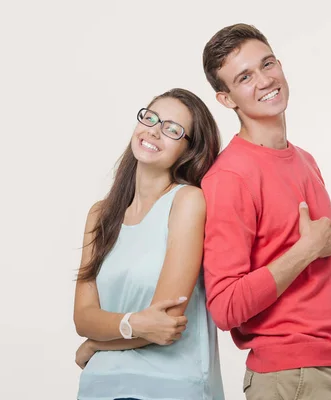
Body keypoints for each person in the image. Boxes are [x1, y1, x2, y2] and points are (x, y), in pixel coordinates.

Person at [200, 24, 331, 399]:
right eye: (244, 77)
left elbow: (323, 278)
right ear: (227, 99)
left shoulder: (305, 161)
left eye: (267, 64)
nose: (264, 80)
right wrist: (304, 251)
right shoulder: (230, 177)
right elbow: (225, 306)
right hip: (294, 378)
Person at [73, 88, 225, 400]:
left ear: (188, 150)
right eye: (151, 118)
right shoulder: (100, 215)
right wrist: (134, 324)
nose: (154, 130)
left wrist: (96, 342)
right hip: (99, 388)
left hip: (169, 388)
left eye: (172, 129)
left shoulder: (186, 201)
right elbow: (83, 318)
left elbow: (165, 325)